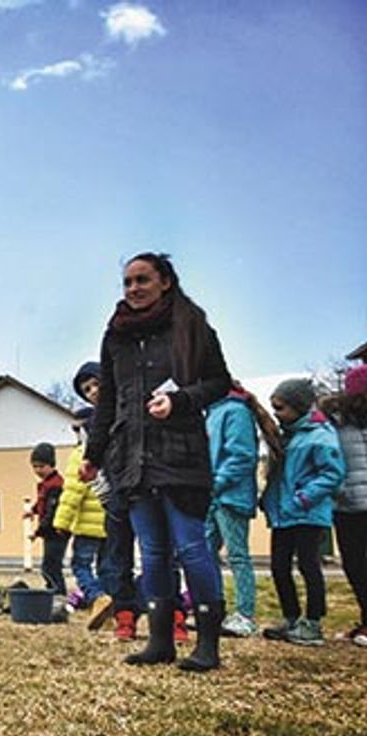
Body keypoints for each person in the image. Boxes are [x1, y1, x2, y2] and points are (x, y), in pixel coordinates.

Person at [80, 252, 232, 672]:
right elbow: (108, 400)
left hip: (180, 454)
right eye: (127, 282)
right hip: (130, 458)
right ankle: (160, 641)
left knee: (191, 547)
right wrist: (94, 456)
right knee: (152, 552)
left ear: (165, 281)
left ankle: (208, 646)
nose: (133, 289)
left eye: (142, 280)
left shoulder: (192, 325)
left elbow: (220, 382)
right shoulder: (115, 336)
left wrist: (181, 399)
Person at [260, 378, 346, 646]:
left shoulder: (321, 435)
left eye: (281, 408)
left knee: (309, 567)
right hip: (284, 514)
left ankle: (314, 623)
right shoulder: (288, 436)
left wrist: (304, 498)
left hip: (307, 514)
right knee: (279, 567)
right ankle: (291, 617)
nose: (276, 413)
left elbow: (333, 474)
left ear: (298, 407)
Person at [203, 381, 272, 638]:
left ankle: (246, 615)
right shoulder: (212, 412)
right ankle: (214, 609)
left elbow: (242, 455)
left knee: (238, 556)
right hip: (212, 495)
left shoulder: (235, 411)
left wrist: (217, 483)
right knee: (205, 553)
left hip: (231, 496)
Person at [322, 364, 367, 646]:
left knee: (357, 564)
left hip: (349, 503)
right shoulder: (337, 421)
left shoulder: (338, 421)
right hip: (348, 503)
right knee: (356, 564)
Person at [55, 403, 111, 623]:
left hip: (87, 525)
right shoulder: (112, 450)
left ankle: (98, 598)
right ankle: (109, 607)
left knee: (80, 564)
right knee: (107, 567)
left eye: (77, 429)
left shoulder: (81, 454)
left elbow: (72, 493)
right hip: (110, 523)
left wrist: (62, 522)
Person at [28, 442, 68, 596]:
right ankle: (54, 591)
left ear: (51, 464)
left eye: (41, 466)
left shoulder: (56, 485)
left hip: (56, 531)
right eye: (35, 467)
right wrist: (33, 511)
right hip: (49, 531)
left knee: (50, 566)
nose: (38, 470)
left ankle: (57, 593)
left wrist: (37, 532)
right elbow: (42, 503)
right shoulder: (45, 484)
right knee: (49, 566)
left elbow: (52, 513)